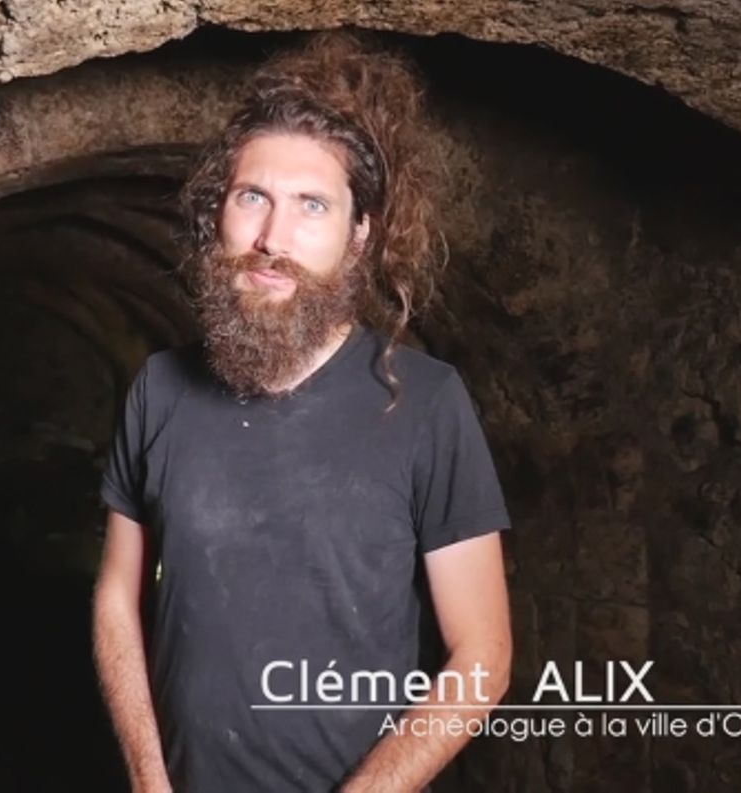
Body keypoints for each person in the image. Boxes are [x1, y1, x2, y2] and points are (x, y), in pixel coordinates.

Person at [92, 30, 513, 793]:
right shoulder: (158, 388)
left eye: (311, 206)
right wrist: (151, 781)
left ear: (360, 237)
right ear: (218, 211)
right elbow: (119, 595)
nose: (270, 239)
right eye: (252, 197)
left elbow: (481, 653)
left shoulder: (427, 404)